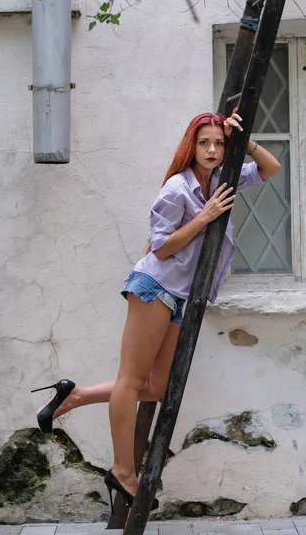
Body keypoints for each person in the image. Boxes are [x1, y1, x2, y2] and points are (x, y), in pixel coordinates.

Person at [31, 108, 281, 514]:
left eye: (219, 142)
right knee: (131, 381)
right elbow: (161, 247)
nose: (213, 150)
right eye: (204, 143)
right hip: (154, 288)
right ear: (191, 146)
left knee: (157, 387)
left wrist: (244, 139)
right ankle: (122, 470)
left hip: (180, 297)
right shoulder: (175, 190)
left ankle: (73, 395)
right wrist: (205, 217)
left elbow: (271, 167)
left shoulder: (221, 180)